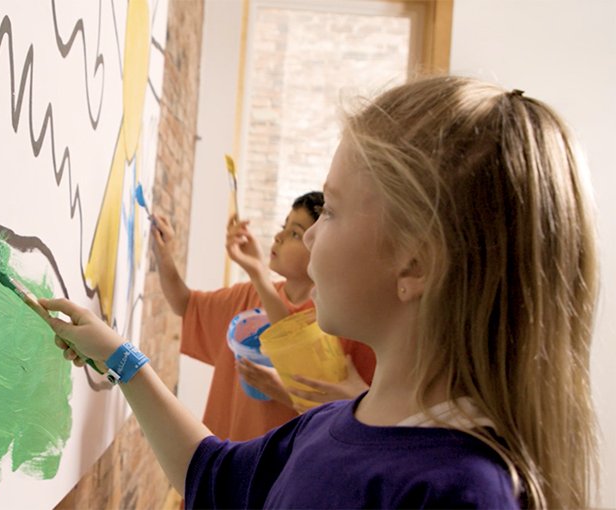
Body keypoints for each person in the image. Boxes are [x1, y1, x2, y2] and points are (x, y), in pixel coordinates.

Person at [39, 75, 599, 508]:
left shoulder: (461, 491)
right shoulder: (333, 425)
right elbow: (212, 475)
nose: (308, 237)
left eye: (328, 211)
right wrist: (122, 360)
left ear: (417, 262)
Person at [151, 192, 375, 438]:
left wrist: (283, 392)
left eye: (295, 234)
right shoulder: (247, 296)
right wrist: (164, 254)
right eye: (284, 227)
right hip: (221, 459)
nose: (279, 237)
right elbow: (185, 305)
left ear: (322, 248)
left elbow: (357, 419)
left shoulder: (340, 323)